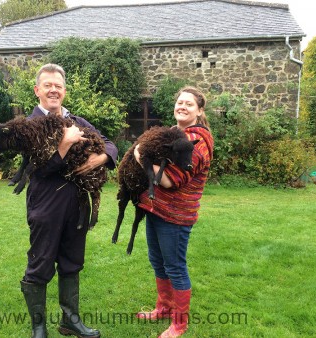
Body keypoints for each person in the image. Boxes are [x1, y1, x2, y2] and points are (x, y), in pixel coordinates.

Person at [20, 63, 118, 338]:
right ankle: (38, 327)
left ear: (64, 91)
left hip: (75, 204)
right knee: (40, 263)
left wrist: (102, 157)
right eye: (48, 85)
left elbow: (110, 143)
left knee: (72, 262)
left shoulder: (76, 120)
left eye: (58, 86)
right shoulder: (29, 126)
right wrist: (65, 143)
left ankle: (70, 320)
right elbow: (39, 168)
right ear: (37, 90)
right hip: (45, 204)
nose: (53, 90)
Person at [134, 86, 213, 338]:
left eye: (189, 104)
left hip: (177, 216)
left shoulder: (197, 140)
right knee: (158, 262)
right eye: (180, 102)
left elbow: (169, 180)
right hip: (157, 209)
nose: (182, 106)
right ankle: (164, 307)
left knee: (175, 267)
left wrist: (139, 155)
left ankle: (179, 324)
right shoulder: (173, 134)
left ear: (199, 111)